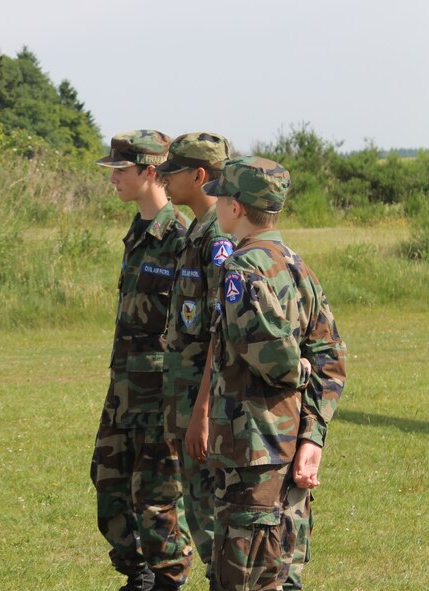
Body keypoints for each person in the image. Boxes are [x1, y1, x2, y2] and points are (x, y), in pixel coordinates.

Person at [202, 157, 347, 590]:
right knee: (283, 572)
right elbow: (332, 357)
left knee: (246, 576)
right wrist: (312, 435)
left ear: (236, 206)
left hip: (253, 452)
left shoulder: (242, 270)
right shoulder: (297, 265)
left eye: (221, 197)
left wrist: (296, 370)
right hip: (286, 450)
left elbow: (279, 359)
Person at [90, 130, 194, 591]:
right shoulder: (137, 234)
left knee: (155, 496)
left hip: (160, 394)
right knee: (108, 482)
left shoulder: (181, 240)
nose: (112, 178)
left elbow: (194, 327)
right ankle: (140, 573)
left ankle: (168, 578)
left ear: (150, 172)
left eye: (120, 170)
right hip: (124, 387)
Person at [155, 132, 234, 589]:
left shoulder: (216, 240)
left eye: (172, 171)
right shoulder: (196, 233)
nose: (163, 178)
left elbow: (219, 337)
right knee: (201, 512)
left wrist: (201, 412)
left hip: (205, 404)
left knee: (211, 514)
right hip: (185, 399)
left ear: (199, 176)